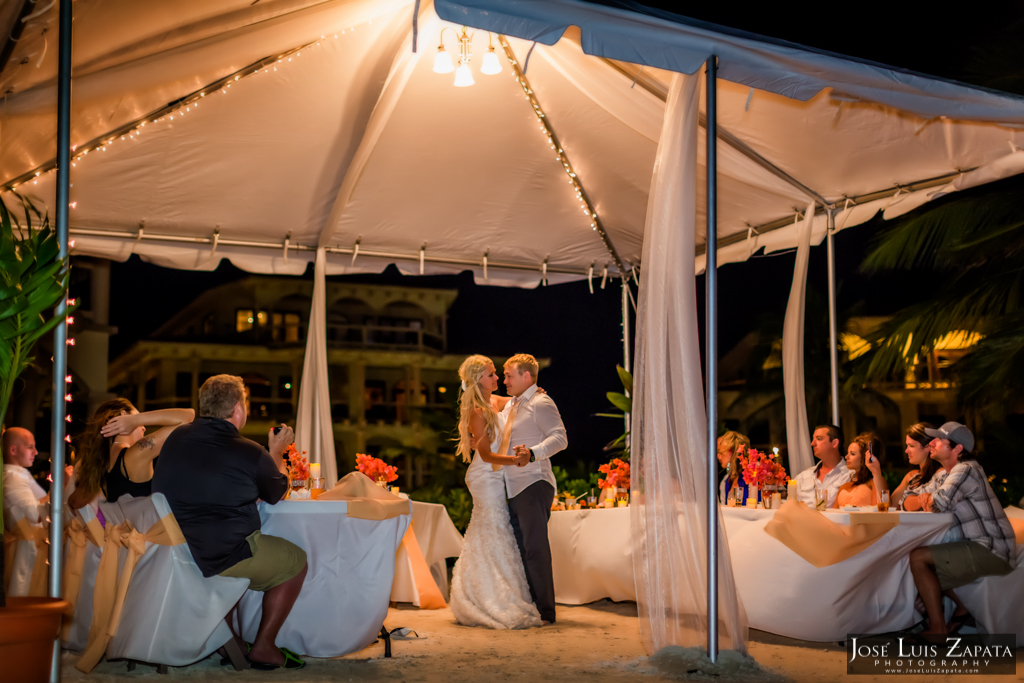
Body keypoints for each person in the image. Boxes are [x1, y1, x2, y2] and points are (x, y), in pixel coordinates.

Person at [153, 374, 308, 669]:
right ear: (238, 408)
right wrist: (275, 451)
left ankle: (231, 642)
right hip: (219, 555)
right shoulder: (249, 451)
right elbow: (276, 493)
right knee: (296, 561)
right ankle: (264, 646)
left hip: (178, 551)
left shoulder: (176, 439)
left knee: (231, 547)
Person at [449, 355, 538, 629]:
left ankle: (493, 590)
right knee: (491, 527)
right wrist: (518, 460)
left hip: (496, 476)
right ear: (478, 380)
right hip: (484, 475)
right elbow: (486, 455)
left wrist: (535, 393)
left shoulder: (496, 401)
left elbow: (519, 402)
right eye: (491, 375)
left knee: (495, 528)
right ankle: (483, 594)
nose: (498, 379)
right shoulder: (476, 411)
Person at [908, 422, 1016, 635]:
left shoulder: (967, 470)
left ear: (957, 449)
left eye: (938, 439)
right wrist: (924, 499)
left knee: (918, 558)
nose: (932, 443)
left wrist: (927, 499)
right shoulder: (943, 475)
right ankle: (962, 608)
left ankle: (937, 631)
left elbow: (937, 504)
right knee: (919, 562)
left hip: (992, 549)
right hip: (974, 546)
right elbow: (907, 499)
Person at [504, 353, 568, 625]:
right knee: (520, 548)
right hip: (511, 487)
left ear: (526, 376)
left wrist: (532, 453)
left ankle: (546, 612)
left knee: (535, 548)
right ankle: (531, 606)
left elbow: (560, 438)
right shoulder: (510, 405)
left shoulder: (541, 402)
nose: (504, 380)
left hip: (533, 482)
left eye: (509, 375)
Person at [68, 399, 194, 508]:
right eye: (138, 417)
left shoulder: (102, 464)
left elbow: (73, 501)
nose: (143, 427)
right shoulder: (135, 455)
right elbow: (188, 417)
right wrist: (134, 420)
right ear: (124, 416)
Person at [891, 423, 946, 510]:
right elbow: (890, 505)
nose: (906, 450)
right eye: (907, 446)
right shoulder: (913, 476)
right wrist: (876, 471)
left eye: (911, 446)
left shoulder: (942, 475)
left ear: (928, 446)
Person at [796, 425, 852, 507]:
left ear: (834, 443)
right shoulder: (802, 477)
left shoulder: (850, 475)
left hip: (835, 519)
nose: (812, 443)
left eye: (819, 439)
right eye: (813, 439)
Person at [832, 432, 888, 508]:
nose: (846, 457)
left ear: (864, 457)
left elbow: (881, 509)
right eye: (847, 453)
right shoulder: (844, 486)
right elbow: (833, 512)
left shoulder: (876, 481)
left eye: (852, 454)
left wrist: (876, 471)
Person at [717, 431, 751, 504]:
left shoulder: (754, 477)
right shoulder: (725, 481)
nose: (718, 457)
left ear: (731, 451)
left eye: (720, 452)